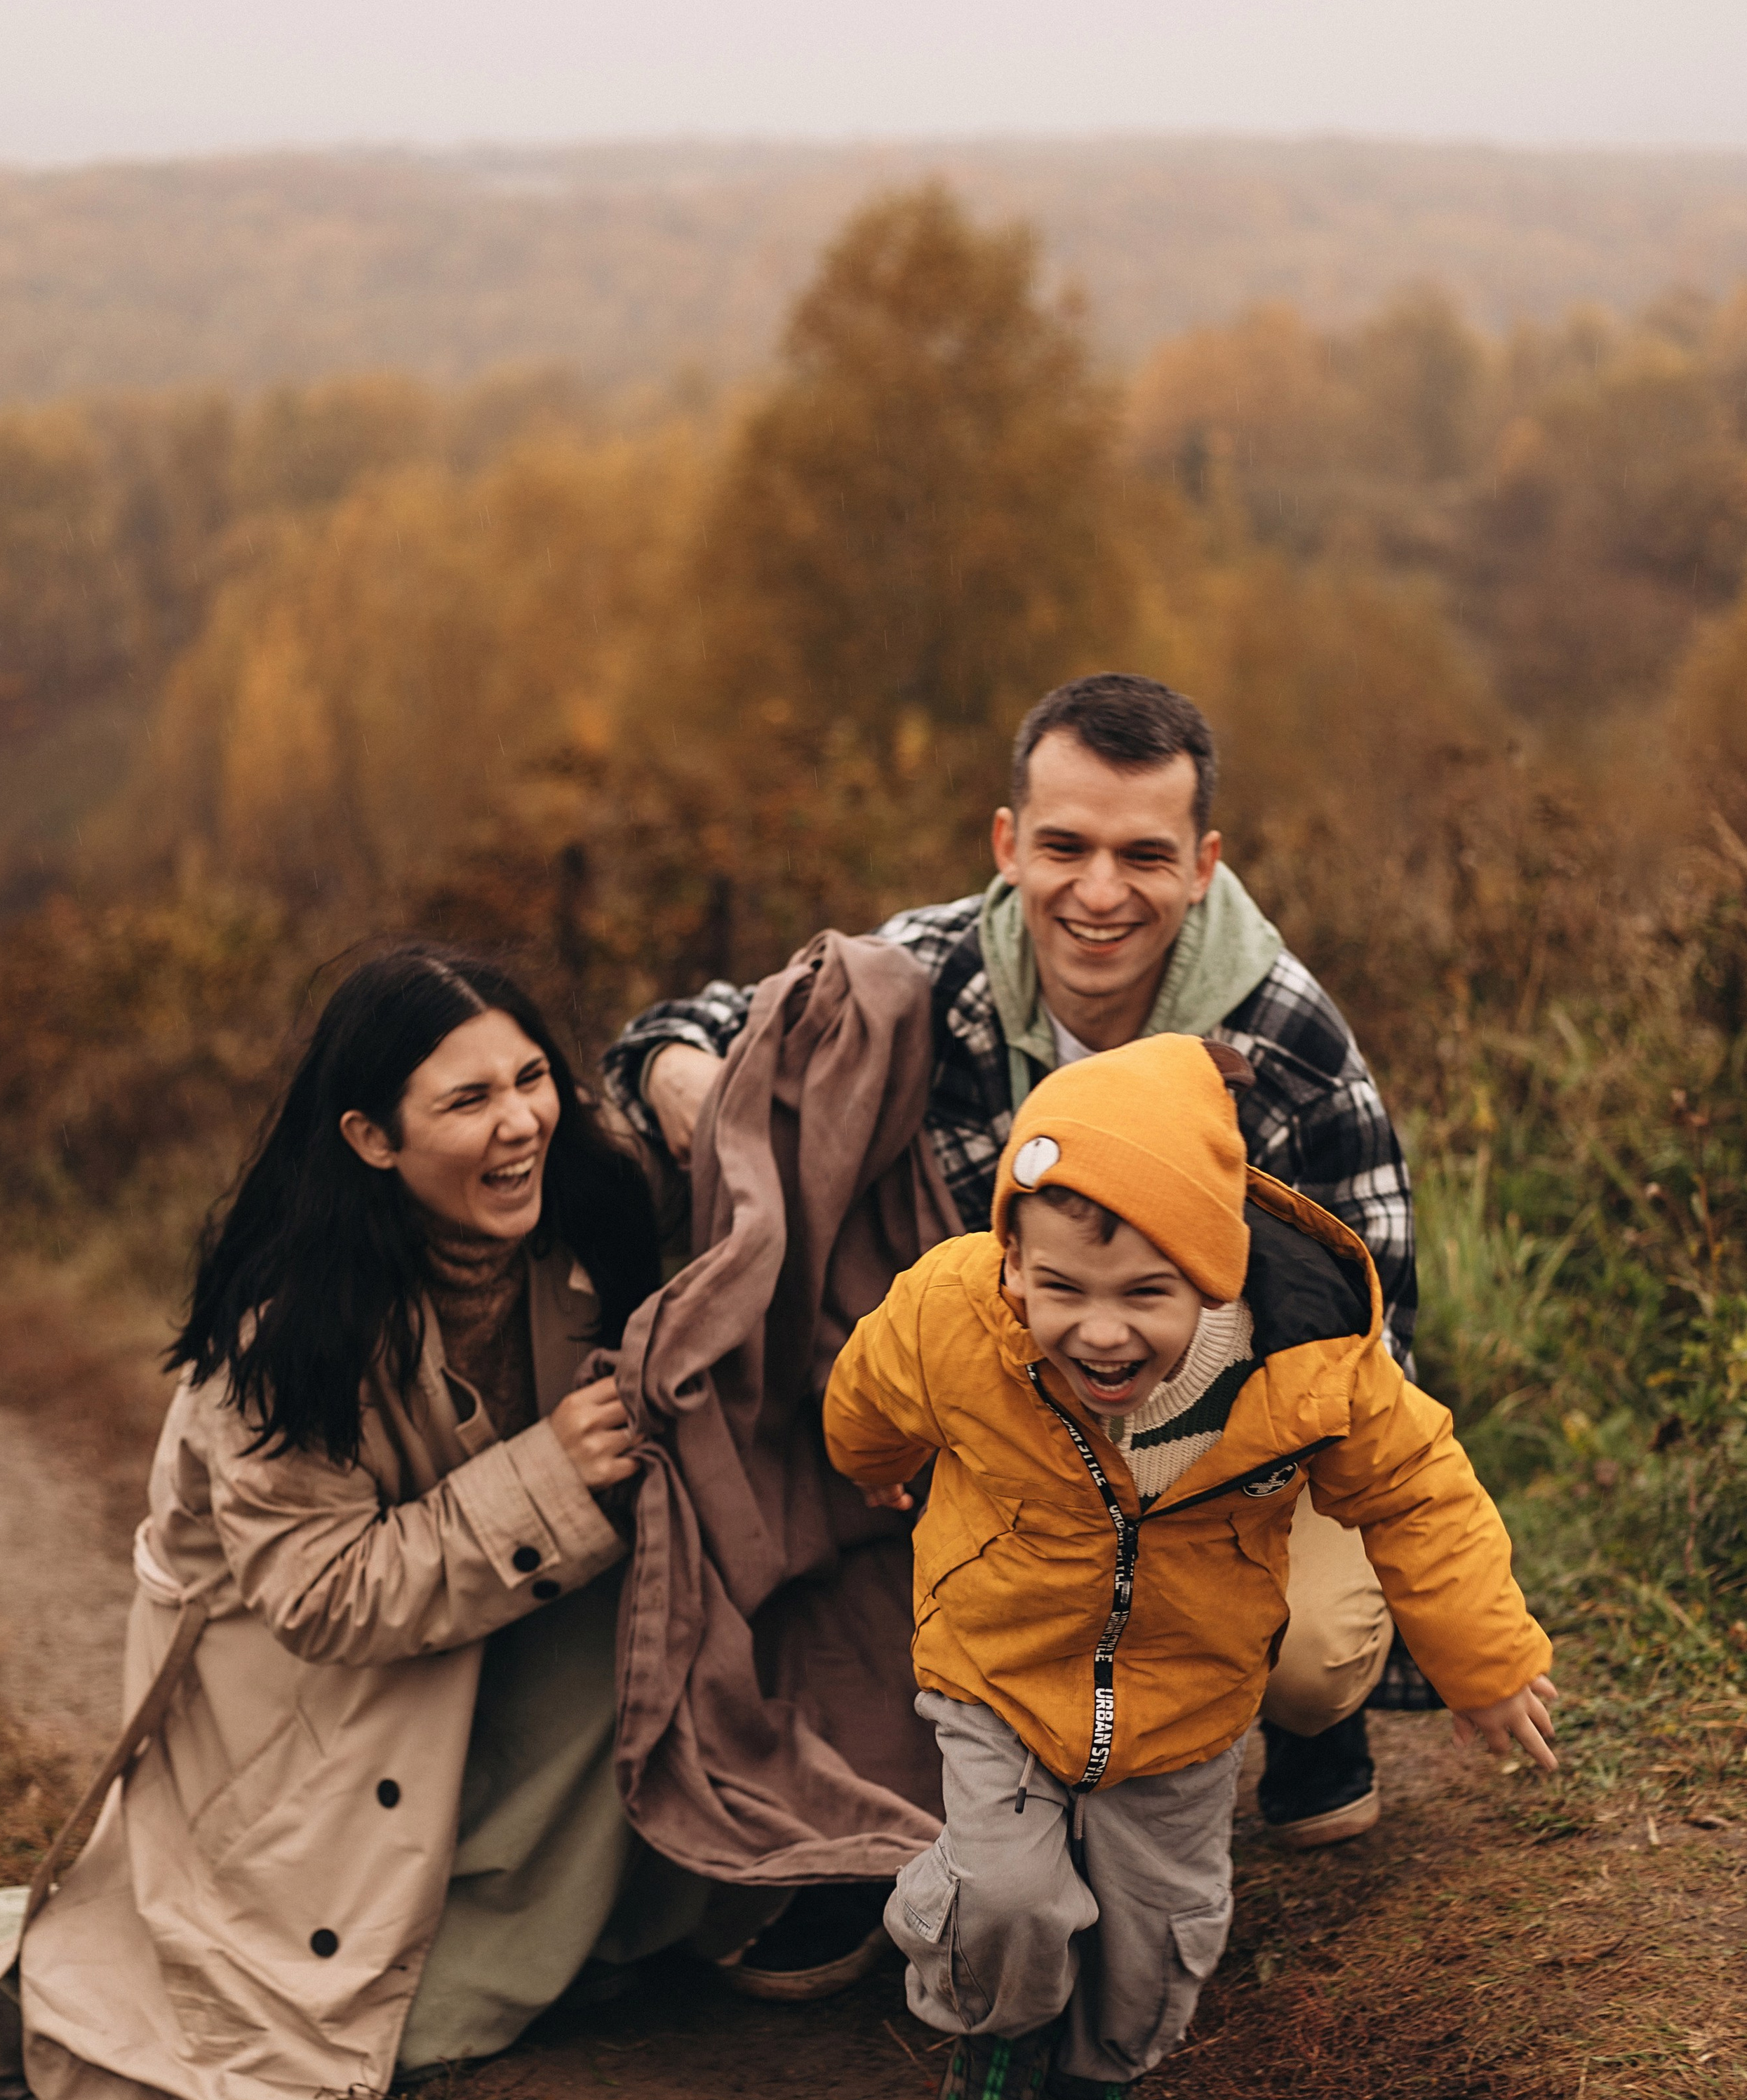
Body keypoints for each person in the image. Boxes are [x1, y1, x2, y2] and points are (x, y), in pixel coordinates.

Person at [0, 945, 765, 2100]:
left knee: (665, 1603)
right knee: (309, 2040)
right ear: (371, 1137)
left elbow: (750, 1166)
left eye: (532, 1079)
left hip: (486, 1644)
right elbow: (322, 1595)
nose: (520, 1125)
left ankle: (593, 1914)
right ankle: (23, 2013)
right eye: (467, 1101)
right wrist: (551, 1474)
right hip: (305, 1718)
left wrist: (672, 1066)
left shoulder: (591, 1212)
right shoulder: (289, 1328)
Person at [605, 673, 1421, 1857]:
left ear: (1202, 863)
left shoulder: (1287, 1038)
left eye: (1143, 855)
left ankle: (1300, 1717)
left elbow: (1378, 1326)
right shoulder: (932, 971)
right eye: (1064, 846)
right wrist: (685, 1070)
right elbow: (706, 1022)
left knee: (1302, 1650)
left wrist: (1197, 1472)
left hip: (1239, 1441)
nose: (1098, 892)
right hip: (1013, 1403)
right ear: (1008, 844)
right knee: (981, 1608)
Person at [821, 1034, 1557, 2100]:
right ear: (1012, 1262)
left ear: (1214, 1274)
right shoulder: (952, 1311)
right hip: (998, 1665)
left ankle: (1099, 2085)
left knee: (1160, 1924)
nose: (1100, 1331)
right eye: (1060, 1288)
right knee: (1006, 1897)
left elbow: (1420, 1486)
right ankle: (998, 2042)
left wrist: (1482, 1662)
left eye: (1145, 1295)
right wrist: (874, 1468)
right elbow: (869, 1392)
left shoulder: (1309, 1367)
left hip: (1188, 1687)